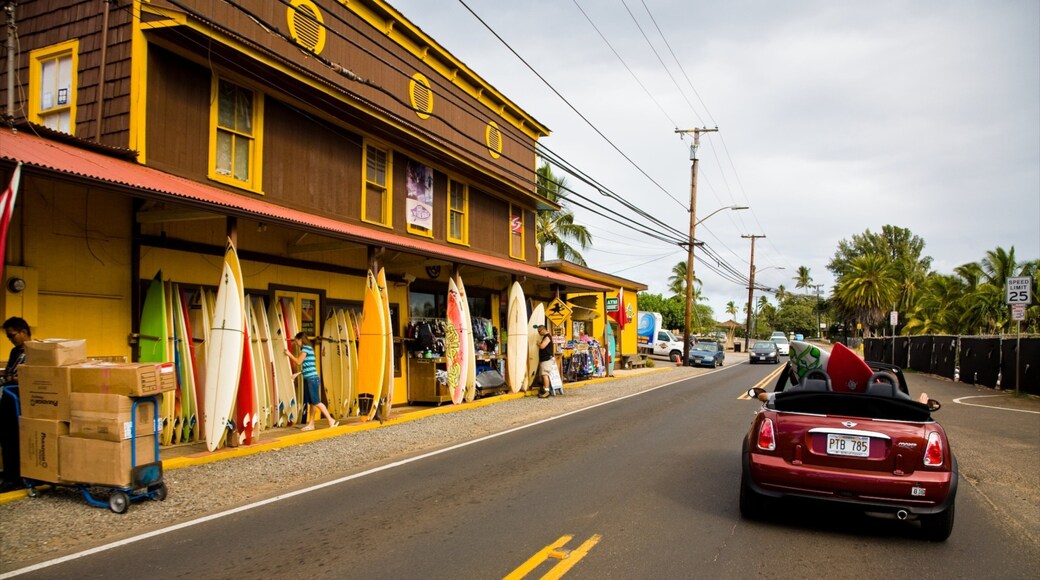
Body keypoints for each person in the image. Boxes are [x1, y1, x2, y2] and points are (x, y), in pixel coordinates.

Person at [1, 317, 30, 492]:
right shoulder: (15, 352)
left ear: (23, 332)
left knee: (14, 437)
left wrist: (11, 378)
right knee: (5, 436)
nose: (11, 339)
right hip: (9, 396)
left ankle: (16, 477)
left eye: (12, 335)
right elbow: (11, 373)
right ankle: (10, 473)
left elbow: (26, 376)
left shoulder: (34, 351)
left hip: (20, 400)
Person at [285, 332, 337, 431]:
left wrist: (289, 354)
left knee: (316, 401)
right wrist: (298, 374)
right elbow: (309, 367)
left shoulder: (305, 349)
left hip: (311, 379)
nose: (296, 344)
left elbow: (299, 362)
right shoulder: (310, 349)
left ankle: (331, 420)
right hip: (312, 378)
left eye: (296, 341)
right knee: (312, 403)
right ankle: (311, 424)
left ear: (301, 340)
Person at [535, 325, 557, 398]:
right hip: (545, 359)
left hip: (546, 359)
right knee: (544, 375)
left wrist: (538, 343)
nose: (539, 333)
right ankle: (545, 389)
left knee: (545, 375)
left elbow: (542, 346)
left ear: (543, 329)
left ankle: (547, 391)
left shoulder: (547, 337)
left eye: (539, 331)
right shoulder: (546, 337)